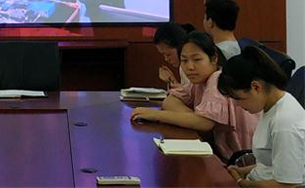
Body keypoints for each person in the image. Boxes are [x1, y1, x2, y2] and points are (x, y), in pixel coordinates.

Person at [130, 31, 259, 161]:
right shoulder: (199, 81)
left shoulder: (217, 78)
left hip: (244, 158)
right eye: (184, 60)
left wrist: (156, 115)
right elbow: (170, 100)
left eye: (197, 60)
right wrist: (193, 118)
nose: (190, 67)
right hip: (227, 154)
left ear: (214, 59)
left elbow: (205, 123)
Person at [218, 47, 305, 187]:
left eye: (238, 98)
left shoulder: (284, 123)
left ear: (256, 87)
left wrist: (242, 183)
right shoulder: (273, 104)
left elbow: (287, 185)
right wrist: (242, 171)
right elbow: (270, 164)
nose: (237, 105)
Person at [152, 22, 191, 89]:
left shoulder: (190, 66)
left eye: (168, 54)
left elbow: (193, 94)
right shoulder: (182, 67)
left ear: (180, 47)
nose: (166, 59)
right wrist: (172, 80)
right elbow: (186, 92)